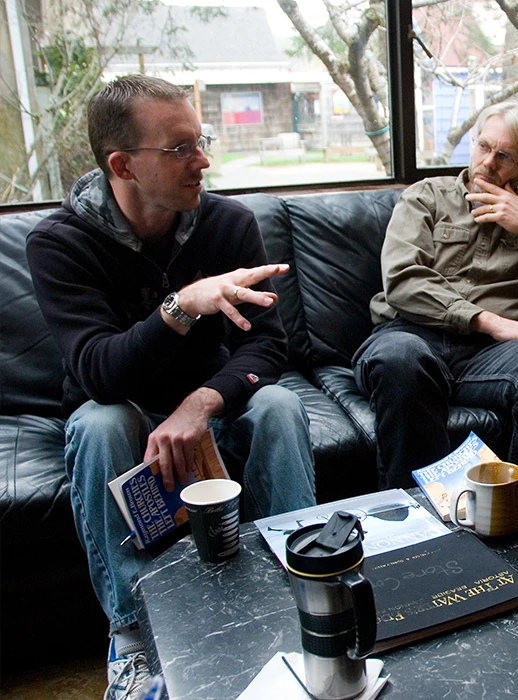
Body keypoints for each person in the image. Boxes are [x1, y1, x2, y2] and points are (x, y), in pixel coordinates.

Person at [26, 75, 316, 699]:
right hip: (119, 411)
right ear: (122, 165)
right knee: (104, 424)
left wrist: (204, 402)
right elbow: (100, 372)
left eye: (200, 141)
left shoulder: (227, 223)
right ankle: (133, 636)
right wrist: (181, 306)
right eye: (180, 149)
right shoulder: (59, 244)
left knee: (278, 407)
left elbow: (267, 345)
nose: (203, 160)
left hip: (206, 404)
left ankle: (297, 592)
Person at [352, 101, 518, 518]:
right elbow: (402, 281)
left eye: (503, 156)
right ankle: (415, 525)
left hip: (490, 360)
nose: (486, 163)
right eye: (482, 147)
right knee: (402, 359)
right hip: (411, 336)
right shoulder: (426, 197)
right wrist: (487, 320)